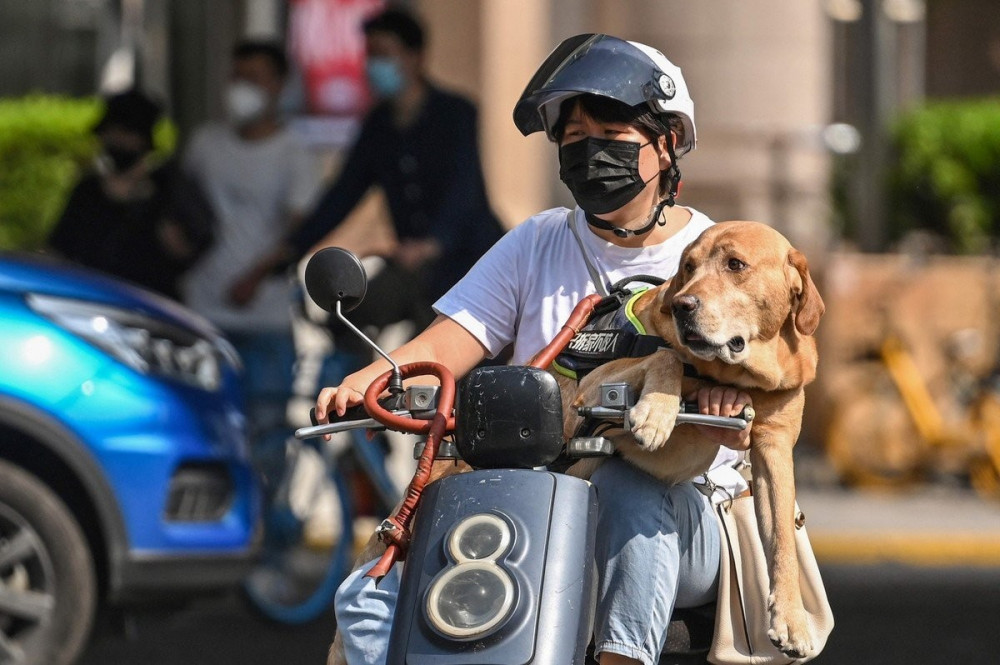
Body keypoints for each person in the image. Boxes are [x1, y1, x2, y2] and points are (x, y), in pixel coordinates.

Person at [321, 34, 753, 665]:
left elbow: (775, 368)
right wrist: (370, 378)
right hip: (534, 498)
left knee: (628, 491)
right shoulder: (537, 241)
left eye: (609, 132)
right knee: (372, 593)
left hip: (679, 506)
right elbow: (454, 339)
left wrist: (729, 399)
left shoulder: (723, 252)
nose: (587, 152)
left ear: (667, 142)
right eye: (571, 139)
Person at [229, 5, 505, 331]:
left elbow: (464, 188)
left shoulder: (456, 114)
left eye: (384, 54)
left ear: (415, 57)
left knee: (468, 358)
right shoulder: (378, 126)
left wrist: (433, 243)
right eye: (370, 55)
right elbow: (343, 194)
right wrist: (291, 251)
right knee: (349, 320)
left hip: (473, 263)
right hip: (411, 269)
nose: (374, 65)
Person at [180, 39, 323, 445]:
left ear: (278, 85)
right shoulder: (205, 144)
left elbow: (300, 233)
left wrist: (255, 277)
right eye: (237, 77)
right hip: (202, 312)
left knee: (266, 437)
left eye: (253, 79)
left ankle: (268, 510)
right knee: (203, 432)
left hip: (266, 318)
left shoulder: (294, 153)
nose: (241, 88)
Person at [48, 89, 214, 300]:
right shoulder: (89, 191)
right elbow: (60, 248)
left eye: (124, 134)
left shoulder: (167, 186)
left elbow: (191, 245)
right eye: (110, 134)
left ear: (142, 138)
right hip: (96, 302)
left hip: (151, 304)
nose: (114, 141)